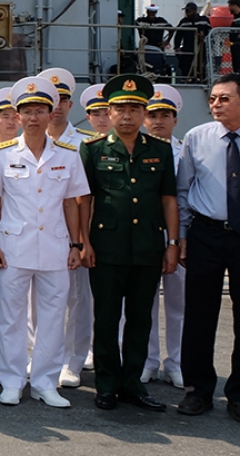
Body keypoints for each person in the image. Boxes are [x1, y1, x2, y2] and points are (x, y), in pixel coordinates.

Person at [0, 76, 90, 408]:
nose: (33, 118)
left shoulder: (69, 155)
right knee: (11, 318)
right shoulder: (1, 154)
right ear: (17, 117)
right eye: (27, 111)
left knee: (52, 318)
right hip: (14, 247)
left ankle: (46, 382)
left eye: (40, 111)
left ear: (51, 113)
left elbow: (73, 202)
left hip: (57, 248)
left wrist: (76, 244)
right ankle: (12, 381)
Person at [79, 74, 178, 412]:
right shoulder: (93, 149)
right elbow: (85, 200)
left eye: (135, 109)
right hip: (106, 246)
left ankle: (132, 384)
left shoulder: (160, 150)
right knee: (106, 317)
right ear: (108, 111)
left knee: (140, 318)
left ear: (144, 112)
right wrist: (83, 243)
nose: (127, 115)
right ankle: (106, 384)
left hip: (148, 246)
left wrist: (173, 242)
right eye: (120, 108)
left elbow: (168, 199)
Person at [174, 72, 240, 420]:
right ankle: (197, 390)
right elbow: (184, 190)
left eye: (224, 98)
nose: (215, 104)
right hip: (206, 234)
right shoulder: (197, 138)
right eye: (213, 98)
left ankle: (239, 394)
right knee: (199, 315)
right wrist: (183, 234)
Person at [40, 67, 96, 389]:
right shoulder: (31, 142)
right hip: (40, 233)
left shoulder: (84, 144)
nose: (58, 106)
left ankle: (72, 360)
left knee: (78, 299)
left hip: (73, 235)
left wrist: (83, 239)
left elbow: (86, 197)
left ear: (70, 106)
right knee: (41, 302)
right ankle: (43, 355)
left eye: (63, 100)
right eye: (53, 100)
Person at [142, 84, 185, 388]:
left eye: (165, 115)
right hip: (143, 235)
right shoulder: (138, 151)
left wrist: (180, 238)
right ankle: (148, 361)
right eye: (153, 114)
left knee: (179, 304)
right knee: (144, 304)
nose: (159, 121)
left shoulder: (188, 151)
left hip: (180, 238)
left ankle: (178, 363)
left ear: (175, 120)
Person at [173, 2, 212, 79]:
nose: (187, 13)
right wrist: (177, 47)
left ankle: (200, 79)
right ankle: (186, 79)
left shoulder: (204, 20)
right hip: (187, 48)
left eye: (189, 10)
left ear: (195, 10)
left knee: (201, 65)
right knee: (185, 66)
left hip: (201, 48)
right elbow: (178, 35)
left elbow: (210, 34)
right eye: (186, 11)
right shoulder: (184, 22)